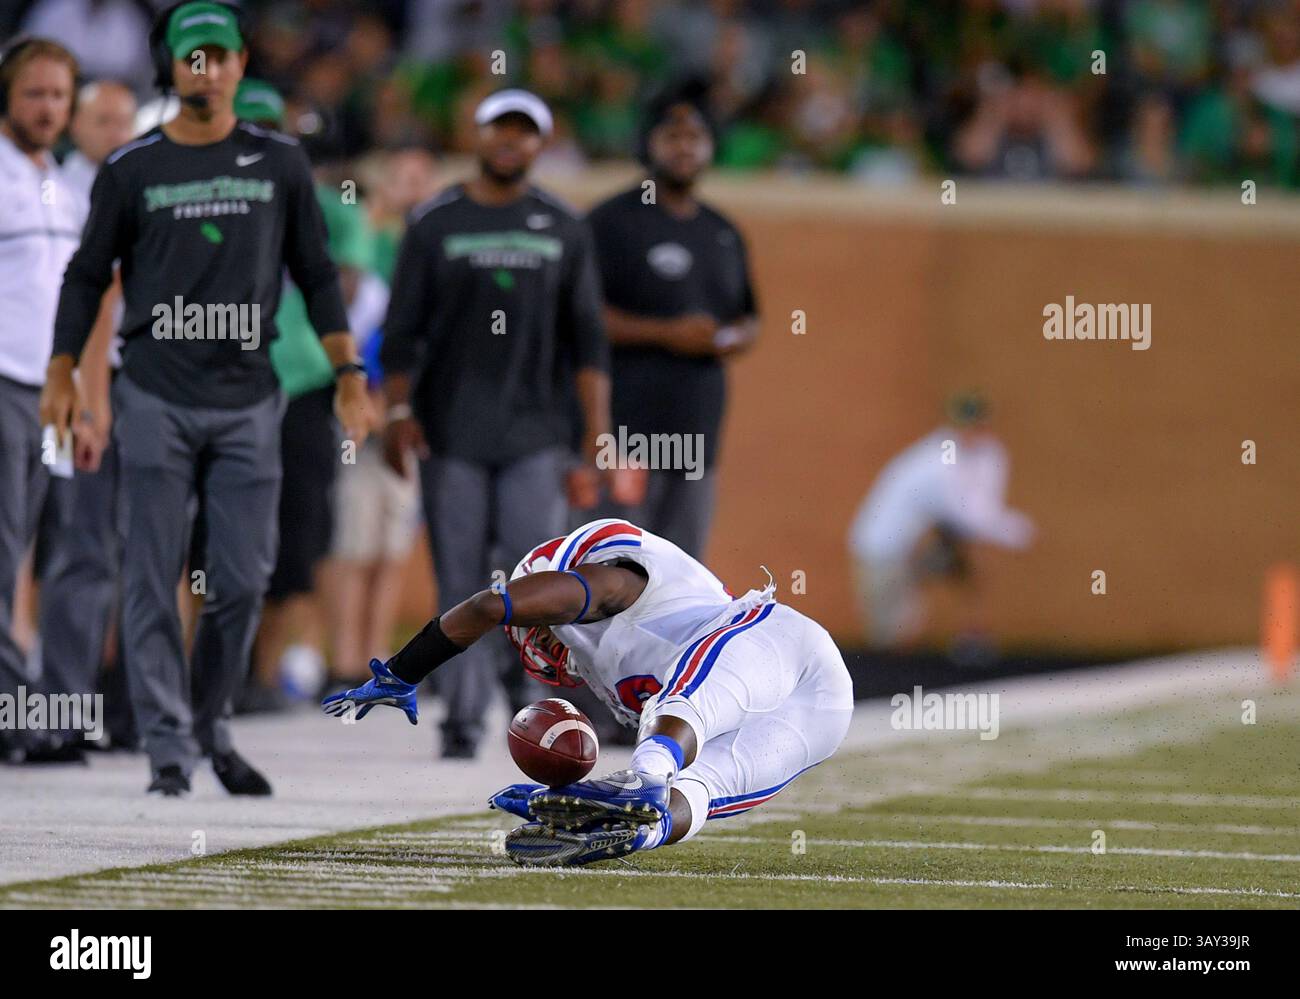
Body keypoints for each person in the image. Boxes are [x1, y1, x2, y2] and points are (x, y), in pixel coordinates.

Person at [40, 2, 370, 796]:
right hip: (154, 390)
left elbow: (319, 274)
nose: (208, 69)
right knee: (153, 573)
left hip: (250, 395)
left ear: (240, 65)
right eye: (194, 57)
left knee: (244, 574)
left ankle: (212, 721)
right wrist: (62, 371)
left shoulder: (281, 162)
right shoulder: (133, 168)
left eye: (221, 56)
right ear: (175, 67)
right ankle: (167, 746)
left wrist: (350, 372)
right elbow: (87, 276)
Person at [323, 518, 854, 867]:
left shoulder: (611, 583)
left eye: (536, 625)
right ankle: (630, 833)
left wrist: (403, 670)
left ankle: (645, 778)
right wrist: (613, 819)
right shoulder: (601, 658)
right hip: (826, 715)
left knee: (683, 712)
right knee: (702, 788)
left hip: (781, 646)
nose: (535, 643)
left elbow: (489, 608)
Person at [379, 89, 611, 760]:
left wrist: (595, 432)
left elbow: (589, 342)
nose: (511, 142)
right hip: (450, 430)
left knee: (534, 582)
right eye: (499, 129)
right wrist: (398, 411)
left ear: (541, 143)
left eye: (525, 132)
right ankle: (461, 716)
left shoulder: (562, 225)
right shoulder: (434, 221)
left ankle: (537, 707)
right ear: (476, 136)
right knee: (459, 577)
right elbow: (401, 334)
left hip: (536, 435)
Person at [586, 80, 759, 560]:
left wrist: (726, 338)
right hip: (625, 433)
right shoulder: (610, 223)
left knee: (683, 575)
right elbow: (582, 317)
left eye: (695, 137)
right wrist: (667, 334)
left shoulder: (722, 232)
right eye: (672, 136)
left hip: (697, 433)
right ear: (648, 143)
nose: (685, 148)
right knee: (614, 568)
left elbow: (749, 319)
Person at [33, 77, 138, 759]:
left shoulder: (134, 186)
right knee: (78, 547)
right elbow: (92, 300)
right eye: (102, 120)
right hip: (66, 380)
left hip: (138, 379)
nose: (116, 133)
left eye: (125, 122)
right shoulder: (56, 191)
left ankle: (128, 713)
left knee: (139, 553)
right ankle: (60, 712)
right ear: (76, 123)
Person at [0, 37, 85, 763]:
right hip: (4, 380)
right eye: (35, 93)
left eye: (60, 95)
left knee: (47, 552)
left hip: (53, 392)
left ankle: (37, 710)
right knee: (3, 554)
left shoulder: (60, 179)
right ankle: (13, 717)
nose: (48, 108)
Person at [848, 393, 1035, 650]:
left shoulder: (985, 454)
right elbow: (967, 515)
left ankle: (973, 635)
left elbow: (980, 510)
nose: (973, 431)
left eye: (978, 424)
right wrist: (1013, 530)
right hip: (883, 550)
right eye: (966, 424)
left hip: (920, 544)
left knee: (971, 563)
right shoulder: (935, 462)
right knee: (891, 633)